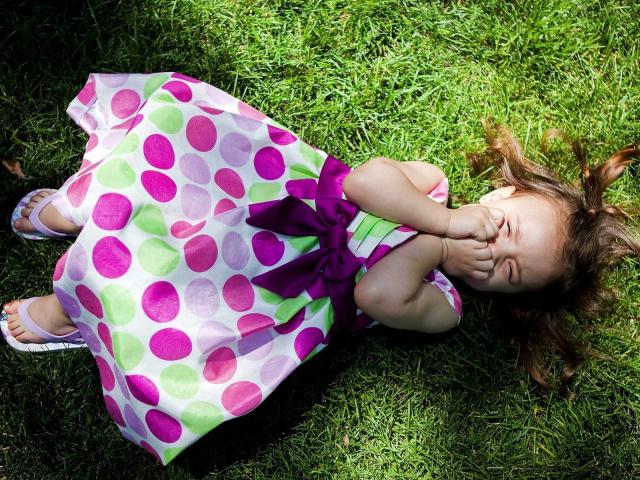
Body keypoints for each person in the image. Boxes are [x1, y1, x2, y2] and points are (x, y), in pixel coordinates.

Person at [1, 73, 637, 465]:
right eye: (508, 230)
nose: (494, 253)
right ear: (502, 195)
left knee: (162, 293)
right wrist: (439, 221)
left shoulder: (443, 303)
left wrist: (439, 249)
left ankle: (70, 309)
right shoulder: (434, 187)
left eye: (510, 272)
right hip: (264, 191)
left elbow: (378, 294)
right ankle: (76, 207)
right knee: (165, 168)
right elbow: (364, 183)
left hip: (268, 289)